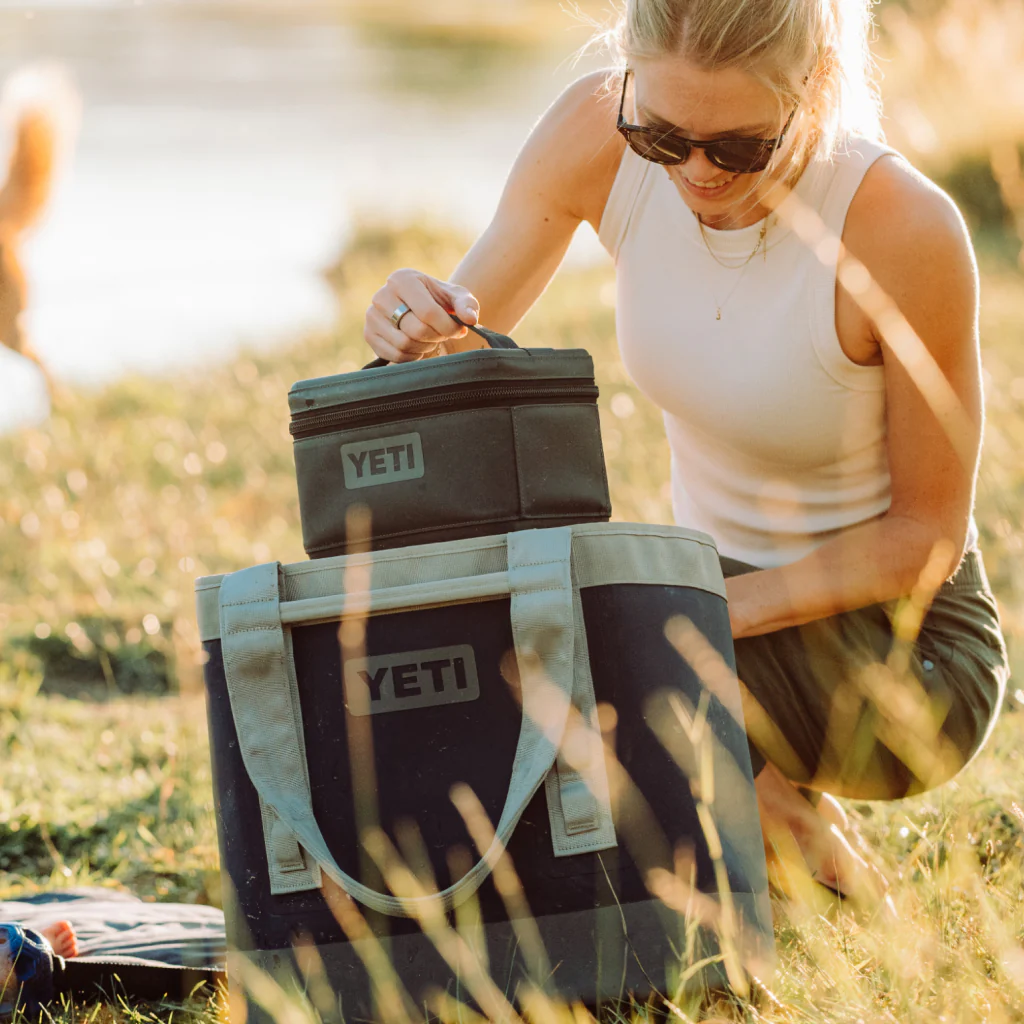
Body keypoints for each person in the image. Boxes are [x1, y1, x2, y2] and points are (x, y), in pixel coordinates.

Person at [361, 0, 1009, 902]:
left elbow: (925, 539)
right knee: (504, 649)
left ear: (816, 91)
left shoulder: (902, 228)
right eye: (662, 136)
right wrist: (407, 320)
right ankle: (778, 826)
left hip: (904, 645)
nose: (696, 171)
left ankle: (801, 862)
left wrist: (687, 618)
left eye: (737, 147)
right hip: (710, 606)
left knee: (591, 659)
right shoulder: (599, 132)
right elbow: (450, 368)